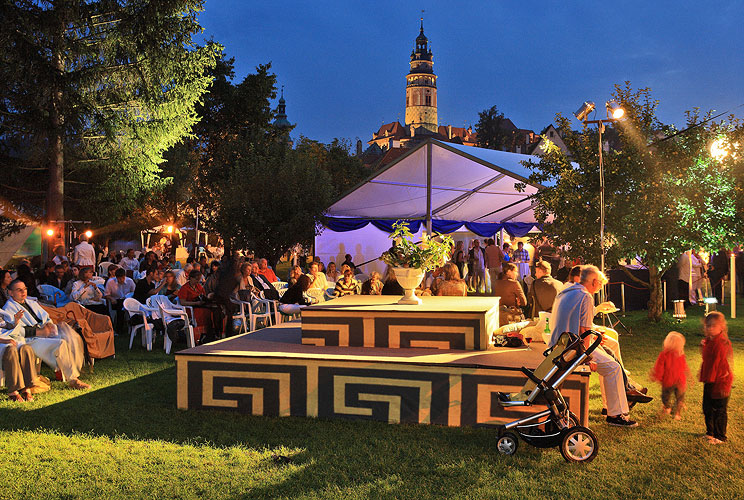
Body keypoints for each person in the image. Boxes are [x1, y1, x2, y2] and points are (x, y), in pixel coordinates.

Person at [549, 265, 637, 428]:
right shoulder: (585, 297)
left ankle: (614, 403)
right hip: (572, 347)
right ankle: (616, 414)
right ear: (595, 282)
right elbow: (585, 331)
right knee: (613, 367)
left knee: (610, 353)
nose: (600, 288)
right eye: (600, 284)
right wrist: (586, 358)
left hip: (561, 343)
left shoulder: (567, 291)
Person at [2, 280, 90, 389]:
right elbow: (15, 330)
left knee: (71, 336)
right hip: (29, 340)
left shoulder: (31, 302)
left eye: (24, 289)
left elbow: (46, 317)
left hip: (44, 334)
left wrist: (48, 325)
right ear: (10, 292)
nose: (23, 292)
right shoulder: (8, 308)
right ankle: (73, 379)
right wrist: (39, 332)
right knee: (61, 343)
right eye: (19, 290)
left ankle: (67, 370)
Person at [699, 311, 733, 444]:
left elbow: (721, 364)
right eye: (707, 326)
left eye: (713, 326)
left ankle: (720, 436)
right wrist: (703, 346)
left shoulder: (722, 343)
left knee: (719, 409)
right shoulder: (708, 341)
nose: (709, 328)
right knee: (707, 407)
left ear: (721, 327)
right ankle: (710, 432)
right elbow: (706, 359)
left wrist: (723, 382)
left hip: (720, 382)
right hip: (709, 380)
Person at [650, 331, 688, 420]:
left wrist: (656, 376)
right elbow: (684, 367)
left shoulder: (669, 355)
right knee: (677, 397)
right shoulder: (675, 355)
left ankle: (670, 409)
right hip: (675, 381)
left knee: (668, 397)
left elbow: (659, 367)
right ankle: (674, 412)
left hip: (671, 381)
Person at [177, 270, 223, 343]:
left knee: (217, 310)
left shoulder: (198, 286)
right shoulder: (184, 288)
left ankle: (217, 332)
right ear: (191, 278)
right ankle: (206, 333)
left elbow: (203, 295)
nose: (198, 281)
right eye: (196, 279)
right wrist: (195, 303)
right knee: (207, 313)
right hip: (191, 308)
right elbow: (182, 302)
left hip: (200, 305)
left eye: (199, 279)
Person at [104, 267, 135, 335]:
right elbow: (106, 294)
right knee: (120, 307)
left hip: (127, 300)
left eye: (122, 278)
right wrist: (111, 298)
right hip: (115, 300)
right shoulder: (111, 282)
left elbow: (134, 292)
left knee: (122, 307)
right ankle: (119, 328)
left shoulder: (130, 281)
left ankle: (122, 327)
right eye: (119, 278)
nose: (121, 280)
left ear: (125, 276)